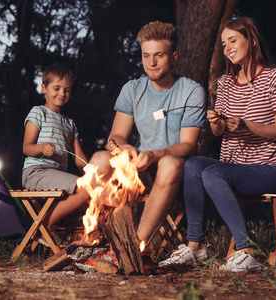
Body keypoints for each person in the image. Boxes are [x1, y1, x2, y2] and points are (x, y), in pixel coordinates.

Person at [159, 17, 276, 271]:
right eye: (223, 43)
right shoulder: (225, 83)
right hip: (234, 167)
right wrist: (216, 121)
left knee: (213, 171)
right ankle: (196, 246)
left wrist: (246, 125)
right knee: (194, 165)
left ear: (251, 41)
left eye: (233, 40)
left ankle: (247, 251)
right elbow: (218, 131)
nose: (227, 47)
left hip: (272, 169)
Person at [89, 21, 207, 257]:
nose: (151, 63)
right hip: (141, 166)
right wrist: (124, 148)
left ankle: (134, 247)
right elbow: (116, 136)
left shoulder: (191, 91)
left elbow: (188, 145)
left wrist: (156, 154)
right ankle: (96, 238)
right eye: (146, 56)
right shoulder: (133, 89)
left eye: (159, 56)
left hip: (174, 170)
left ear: (173, 57)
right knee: (100, 159)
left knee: (169, 163)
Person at [22, 63, 90, 246]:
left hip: (57, 175)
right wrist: (41, 147)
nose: (62, 94)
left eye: (67, 90)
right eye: (56, 88)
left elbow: (79, 160)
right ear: (44, 88)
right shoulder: (39, 113)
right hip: (36, 172)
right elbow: (27, 147)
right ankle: (44, 227)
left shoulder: (70, 124)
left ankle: (55, 225)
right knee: (85, 189)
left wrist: (94, 172)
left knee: (95, 190)